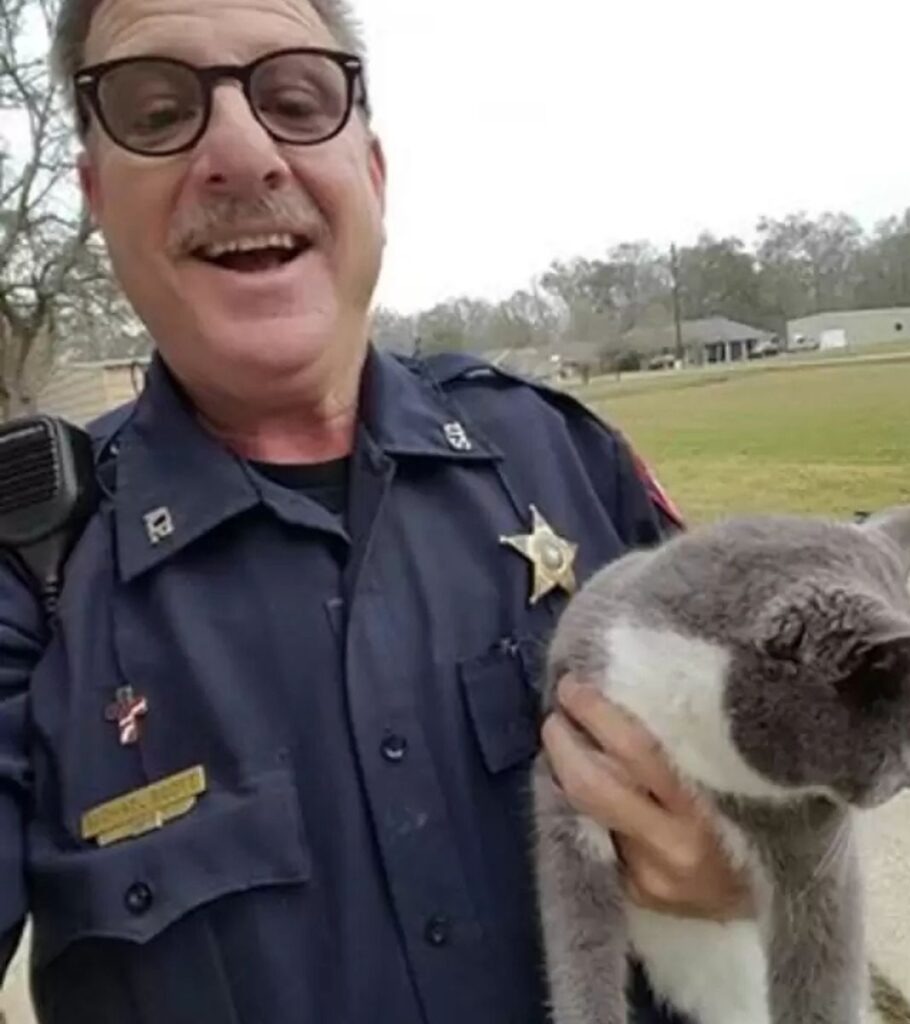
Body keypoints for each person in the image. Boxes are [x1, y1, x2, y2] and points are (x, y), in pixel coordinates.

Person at [0, 1, 749, 1021]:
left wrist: (748, 877)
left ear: (375, 174)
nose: (242, 154)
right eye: (158, 110)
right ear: (95, 194)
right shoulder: (31, 566)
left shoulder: (565, 457)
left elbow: (801, 765)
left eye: (295, 98)